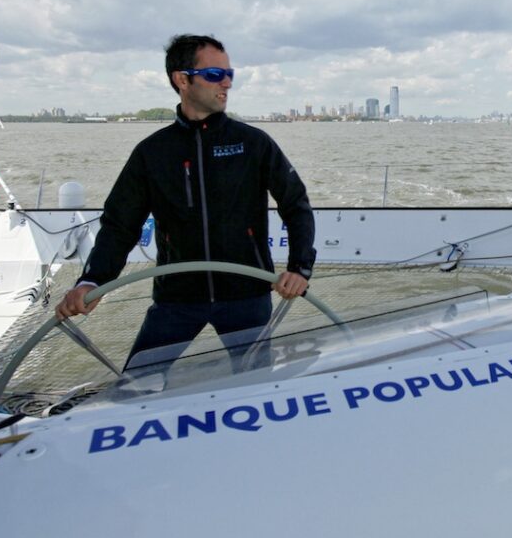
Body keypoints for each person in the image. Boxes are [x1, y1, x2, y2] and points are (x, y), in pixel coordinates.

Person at [54, 34, 316, 372]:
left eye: (229, 74)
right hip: (177, 299)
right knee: (137, 383)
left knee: (258, 388)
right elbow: (120, 225)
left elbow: (296, 204)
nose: (226, 83)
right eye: (214, 75)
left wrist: (299, 267)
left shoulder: (253, 143)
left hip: (246, 294)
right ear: (182, 80)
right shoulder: (152, 153)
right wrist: (91, 281)